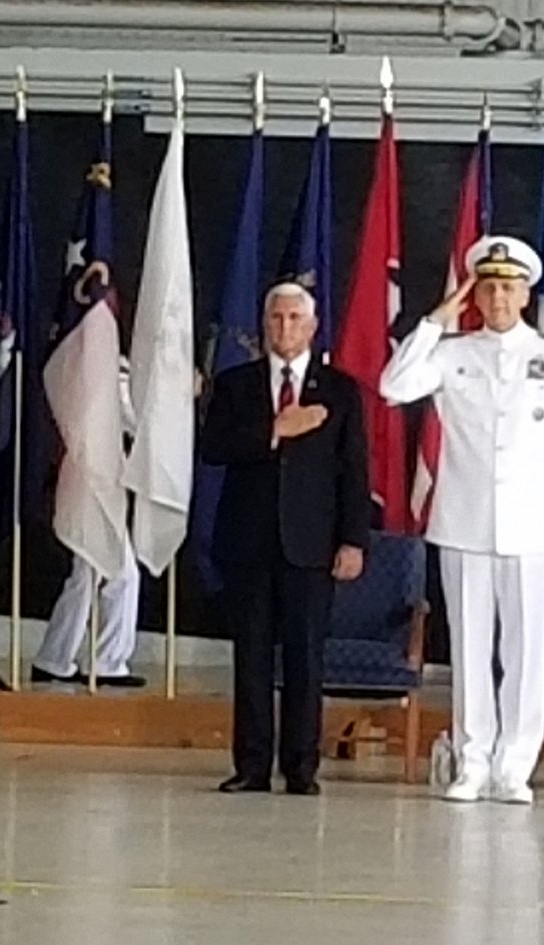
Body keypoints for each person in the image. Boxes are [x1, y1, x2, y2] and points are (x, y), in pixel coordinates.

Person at [380, 235, 544, 805]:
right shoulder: (452, 352)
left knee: (525, 650)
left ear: (526, 293)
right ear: (475, 294)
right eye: (489, 287)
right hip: (464, 521)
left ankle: (515, 764)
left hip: (531, 525)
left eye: (509, 287)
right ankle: (473, 761)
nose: (498, 297)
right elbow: (393, 387)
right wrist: (432, 324)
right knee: (470, 647)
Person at [201, 282, 369, 796]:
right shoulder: (235, 384)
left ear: (314, 326)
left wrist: (353, 540)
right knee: (250, 657)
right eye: (276, 318)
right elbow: (213, 448)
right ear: (264, 324)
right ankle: (252, 765)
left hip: (312, 546)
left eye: (296, 319)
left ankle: (301, 767)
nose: (285, 328)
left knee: (305, 657)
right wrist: (276, 429)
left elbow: (354, 471)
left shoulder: (340, 390)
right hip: (248, 544)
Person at [32, 356, 144, 688]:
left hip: (95, 477)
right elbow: (130, 420)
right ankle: (92, 659)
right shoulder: (106, 361)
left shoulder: (81, 357)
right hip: (93, 478)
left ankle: (60, 656)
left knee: (93, 574)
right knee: (103, 572)